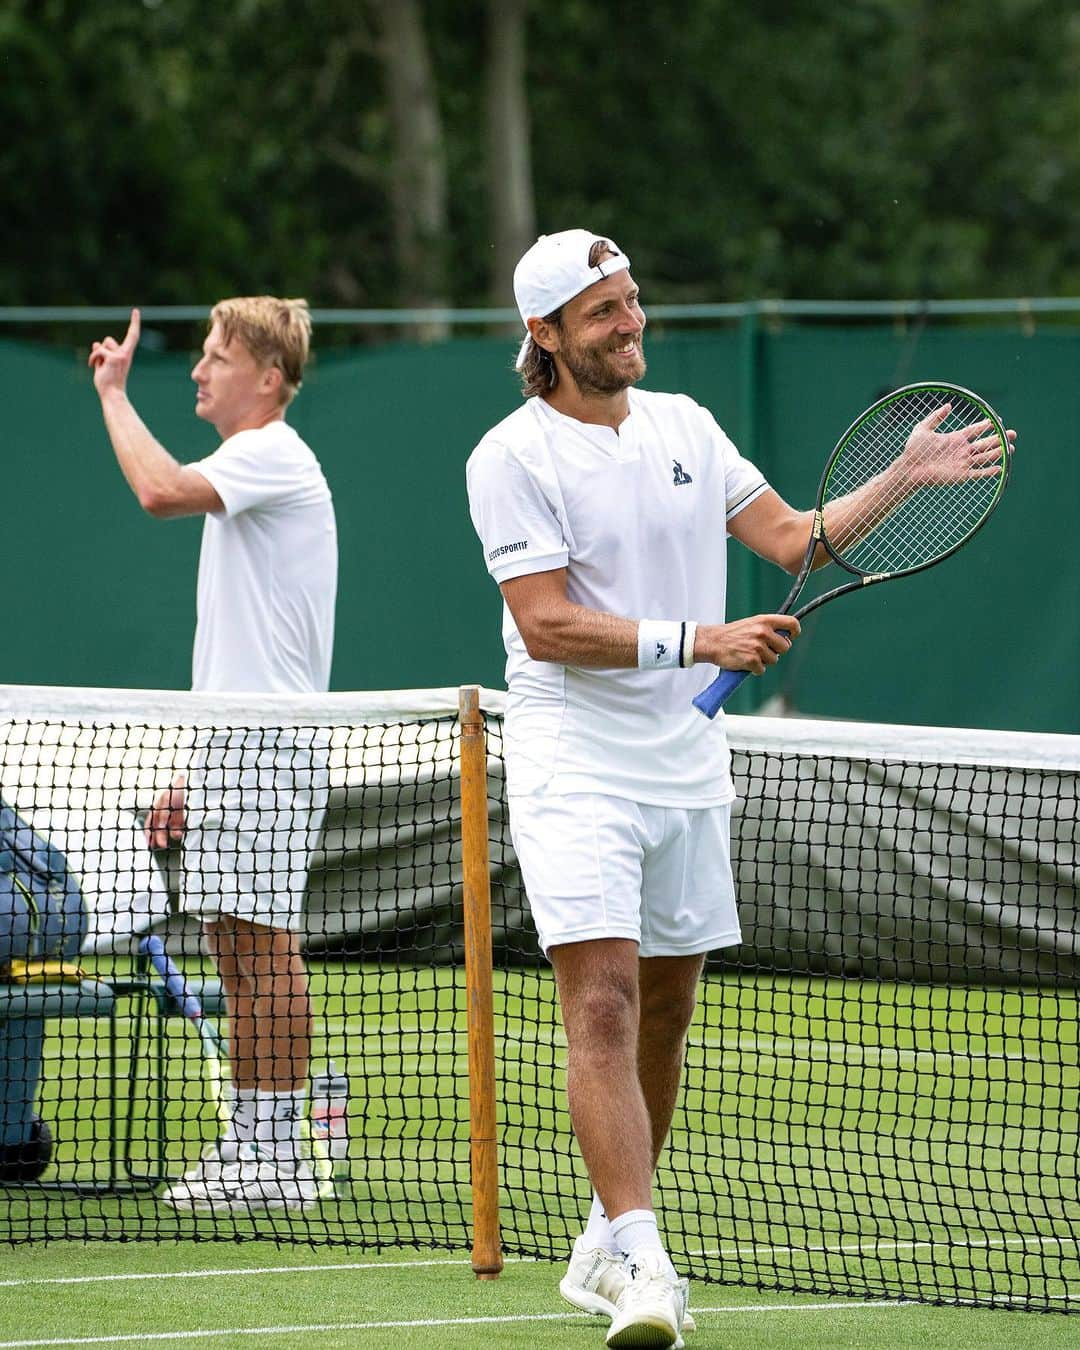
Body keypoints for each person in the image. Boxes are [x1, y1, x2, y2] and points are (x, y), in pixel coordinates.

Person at [465, 230, 1014, 1349]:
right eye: (605, 312)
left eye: (632, 302)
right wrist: (699, 639)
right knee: (605, 1004)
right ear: (547, 336)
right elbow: (546, 625)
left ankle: (604, 1242)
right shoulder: (509, 455)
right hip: (574, 753)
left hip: (685, 766)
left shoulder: (688, 428)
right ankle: (645, 1258)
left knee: (665, 1011)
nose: (631, 324)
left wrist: (903, 477)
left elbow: (795, 538)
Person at [89, 298, 338, 1213]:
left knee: (263, 950)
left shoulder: (271, 452)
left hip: (268, 746)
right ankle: (253, 1145)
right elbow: (248, 643)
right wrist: (197, 771)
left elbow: (156, 490)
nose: (198, 370)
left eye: (216, 356)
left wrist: (114, 394)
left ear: (267, 379)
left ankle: (274, 1160)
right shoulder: (253, 464)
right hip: (237, 742)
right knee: (236, 948)